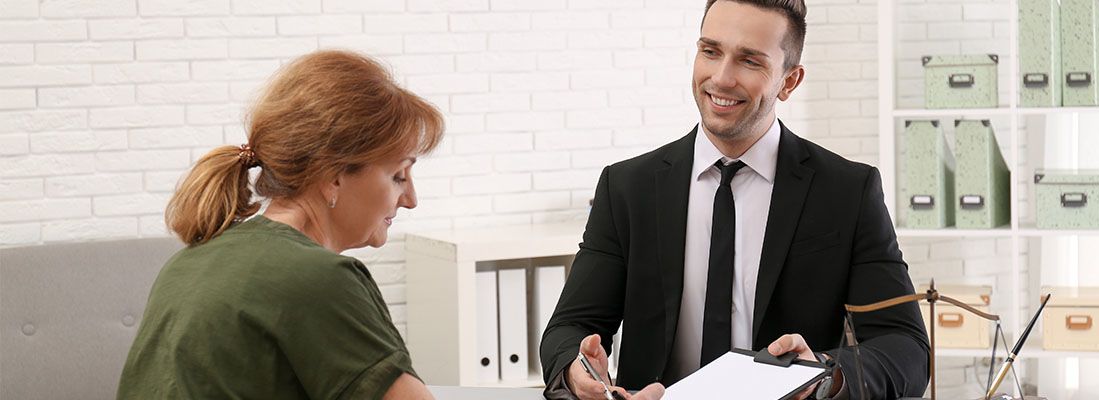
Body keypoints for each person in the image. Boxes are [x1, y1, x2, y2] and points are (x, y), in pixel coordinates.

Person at [540, 1, 930, 399]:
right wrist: (576, 372)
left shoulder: (848, 192)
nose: (721, 78)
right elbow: (570, 327)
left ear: (789, 82)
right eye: (710, 51)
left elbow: (907, 349)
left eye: (749, 61)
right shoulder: (627, 187)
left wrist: (826, 374)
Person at [117, 50, 446, 399]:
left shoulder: (190, 261)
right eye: (398, 175)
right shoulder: (319, 278)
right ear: (333, 175)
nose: (411, 199)